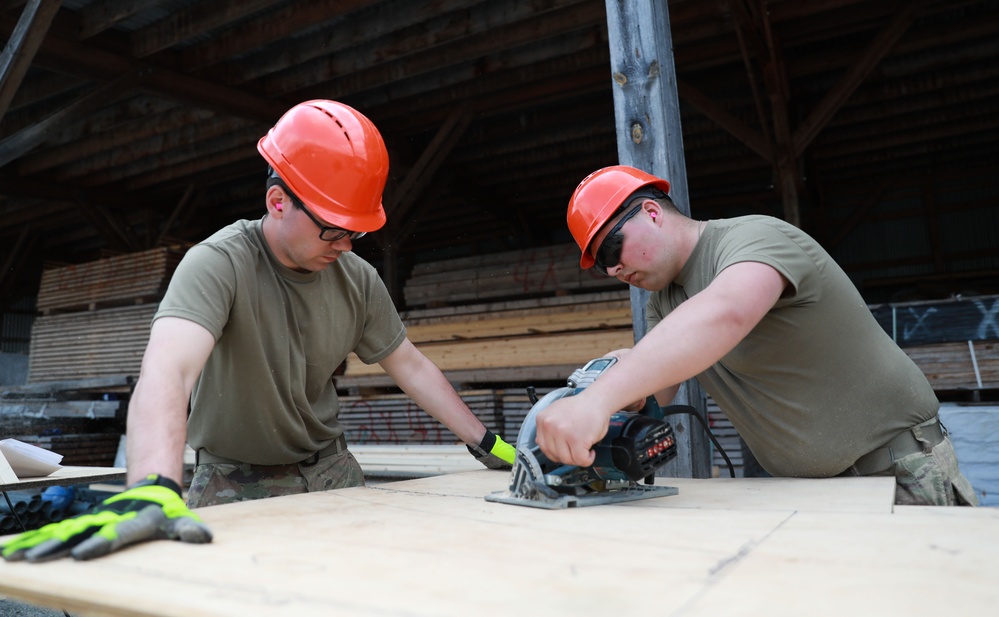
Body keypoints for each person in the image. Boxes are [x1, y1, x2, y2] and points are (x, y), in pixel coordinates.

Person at [2, 100, 515, 563]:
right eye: (332, 228)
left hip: (332, 472)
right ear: (277, 202)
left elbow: (411, 366)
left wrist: (488, 443)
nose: (345, 245)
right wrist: (153, 488)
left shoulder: (357, 278)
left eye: (355, 230)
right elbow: (167, 372)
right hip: (231, 479)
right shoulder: (217, 264)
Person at [534, 164, 977, 507]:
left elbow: (725, 312)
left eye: (612, 249)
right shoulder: (663, 300)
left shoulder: (752, 237)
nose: (613, 269)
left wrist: (595, 402)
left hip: (896, 473)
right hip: (807, 493)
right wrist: (602, 386)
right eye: (602, 265)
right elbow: (657, 390)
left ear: (652, 212)